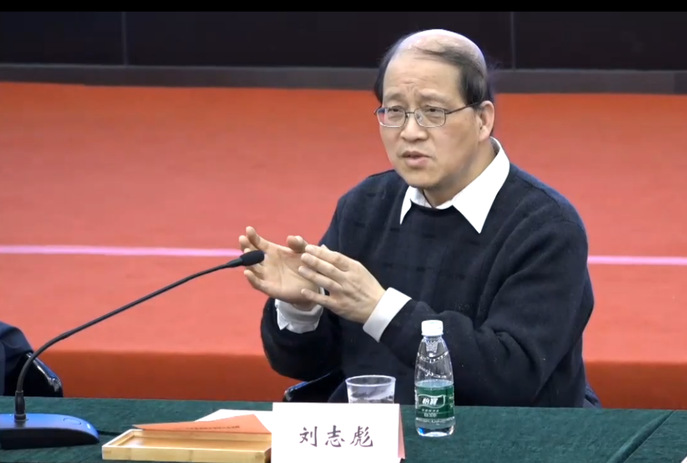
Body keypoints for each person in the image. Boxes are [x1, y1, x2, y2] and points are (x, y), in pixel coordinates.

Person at [238, 29, 600, 408]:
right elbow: (306, 365)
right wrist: (302, 307)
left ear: (482, 120)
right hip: (378, 432)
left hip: (505, 434)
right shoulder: (365, 205)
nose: (410, 132)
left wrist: (380, 310)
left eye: (433, 111)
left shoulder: (546, 227)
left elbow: (510, 377)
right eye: (395, 111)